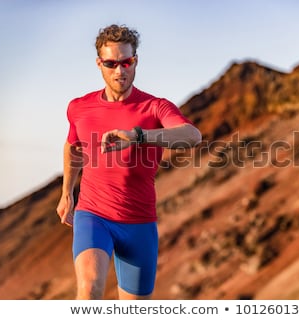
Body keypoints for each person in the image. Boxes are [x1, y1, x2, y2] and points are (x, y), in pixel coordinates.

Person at [56, 24, 201, 300]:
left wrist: (138, 136)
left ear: (136, 60)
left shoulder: (155, 107)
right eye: (111, 63)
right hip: (93, 215)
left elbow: (192, 136)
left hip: (139, 221)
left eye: (127, 62)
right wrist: (67, 193)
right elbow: (73, 146)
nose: (120, 71)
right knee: (89, 289)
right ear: (99, 64)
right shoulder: (79, 107)